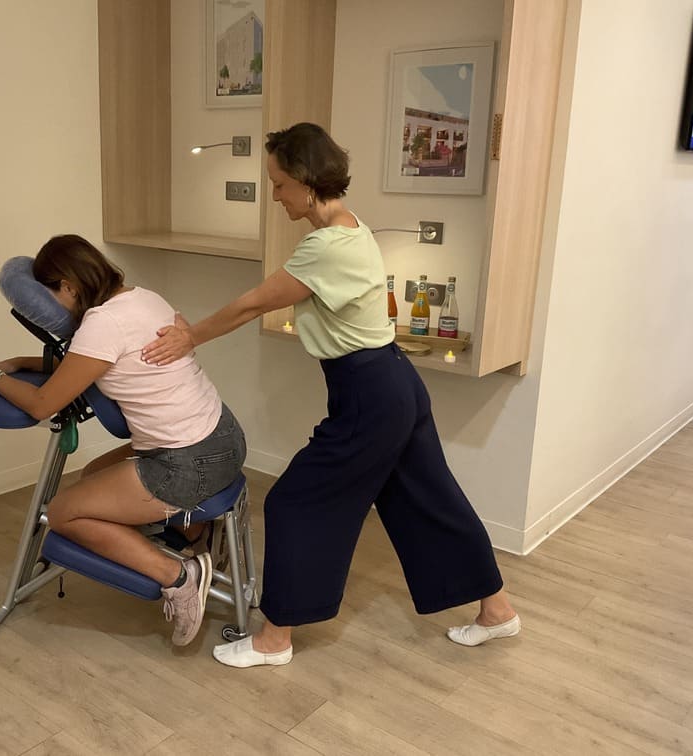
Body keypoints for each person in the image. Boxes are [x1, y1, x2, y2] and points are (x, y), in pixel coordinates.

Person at [140, 122, 519, 668]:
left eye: (278, 184)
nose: (275, 196)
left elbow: (253, 303)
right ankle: (498, 610)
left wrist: (188, 337)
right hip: (392, 384)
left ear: (304, 180)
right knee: (430, 498)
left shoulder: (327, 245)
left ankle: (274, 641)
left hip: (370, 393)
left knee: (295, 502)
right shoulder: (351, 228)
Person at [0, 234, 246, 647]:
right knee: (95, 472)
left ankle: (181, 577)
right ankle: (194, 536)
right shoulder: (142, 297)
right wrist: (21, 362)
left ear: (68, 286)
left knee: (63, 514)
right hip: (223, 435)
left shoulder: (102, 322)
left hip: (185, 463)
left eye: (52, 294)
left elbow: (43, 403)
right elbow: (89, 360)